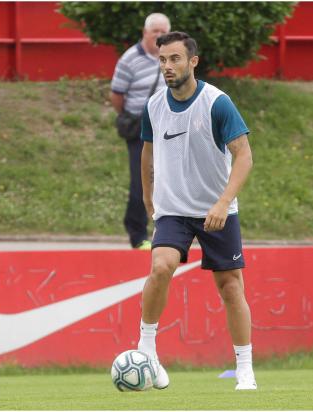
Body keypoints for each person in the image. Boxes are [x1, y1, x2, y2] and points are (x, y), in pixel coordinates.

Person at [138, 31, 255, 390]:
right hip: (173, 209)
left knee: (231, 287)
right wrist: (148, 198)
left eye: (175, 59)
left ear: (193, 62)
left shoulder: (217, 103)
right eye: (162, 60)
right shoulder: (154, 105)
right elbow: (147, 152)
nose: (167, 67)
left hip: (216, 210)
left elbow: (245, 156)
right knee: (161, 267)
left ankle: (245, 367)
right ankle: (146, 349)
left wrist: (222, 202)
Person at [110, 13, 170, 250]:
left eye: (162, 31)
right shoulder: (130, 59)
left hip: (167, 129)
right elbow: (117, 94)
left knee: (166, 181)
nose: (158, 35)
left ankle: (166, 231)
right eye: (154, 30)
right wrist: (131, 117)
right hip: (140, 129)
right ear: (145, 33)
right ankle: (137, 234)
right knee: (141, 182)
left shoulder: (170, 58)